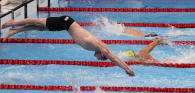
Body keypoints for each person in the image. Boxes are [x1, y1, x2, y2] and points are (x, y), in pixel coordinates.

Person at [1, 16, 135, 76]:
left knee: (40, 27)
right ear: (103, 54)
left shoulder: (98, 47)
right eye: (102, 58)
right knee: (37, 22)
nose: (99, 59)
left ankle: (14, 30)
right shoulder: (99, 47)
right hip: (67, 22)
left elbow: (113, 57)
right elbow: (114, 58)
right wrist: (127, 69)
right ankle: (14, 22)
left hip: (66, 26)